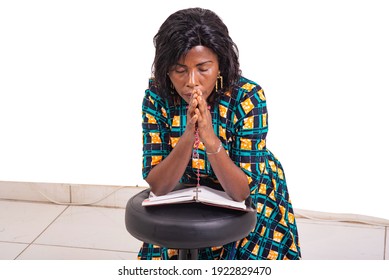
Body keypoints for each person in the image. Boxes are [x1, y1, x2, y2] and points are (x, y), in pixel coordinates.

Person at [138, 7, 301, 260]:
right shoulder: (157, 97)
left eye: (203, 68)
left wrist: (209, 136)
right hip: (188, 190)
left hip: (249, 190)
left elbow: (240, 192)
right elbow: (158, 186)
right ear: (167, 70)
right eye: (180, 70)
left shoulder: (247, 97)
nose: (191, 81)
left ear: (220, 65)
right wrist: (189, 134)